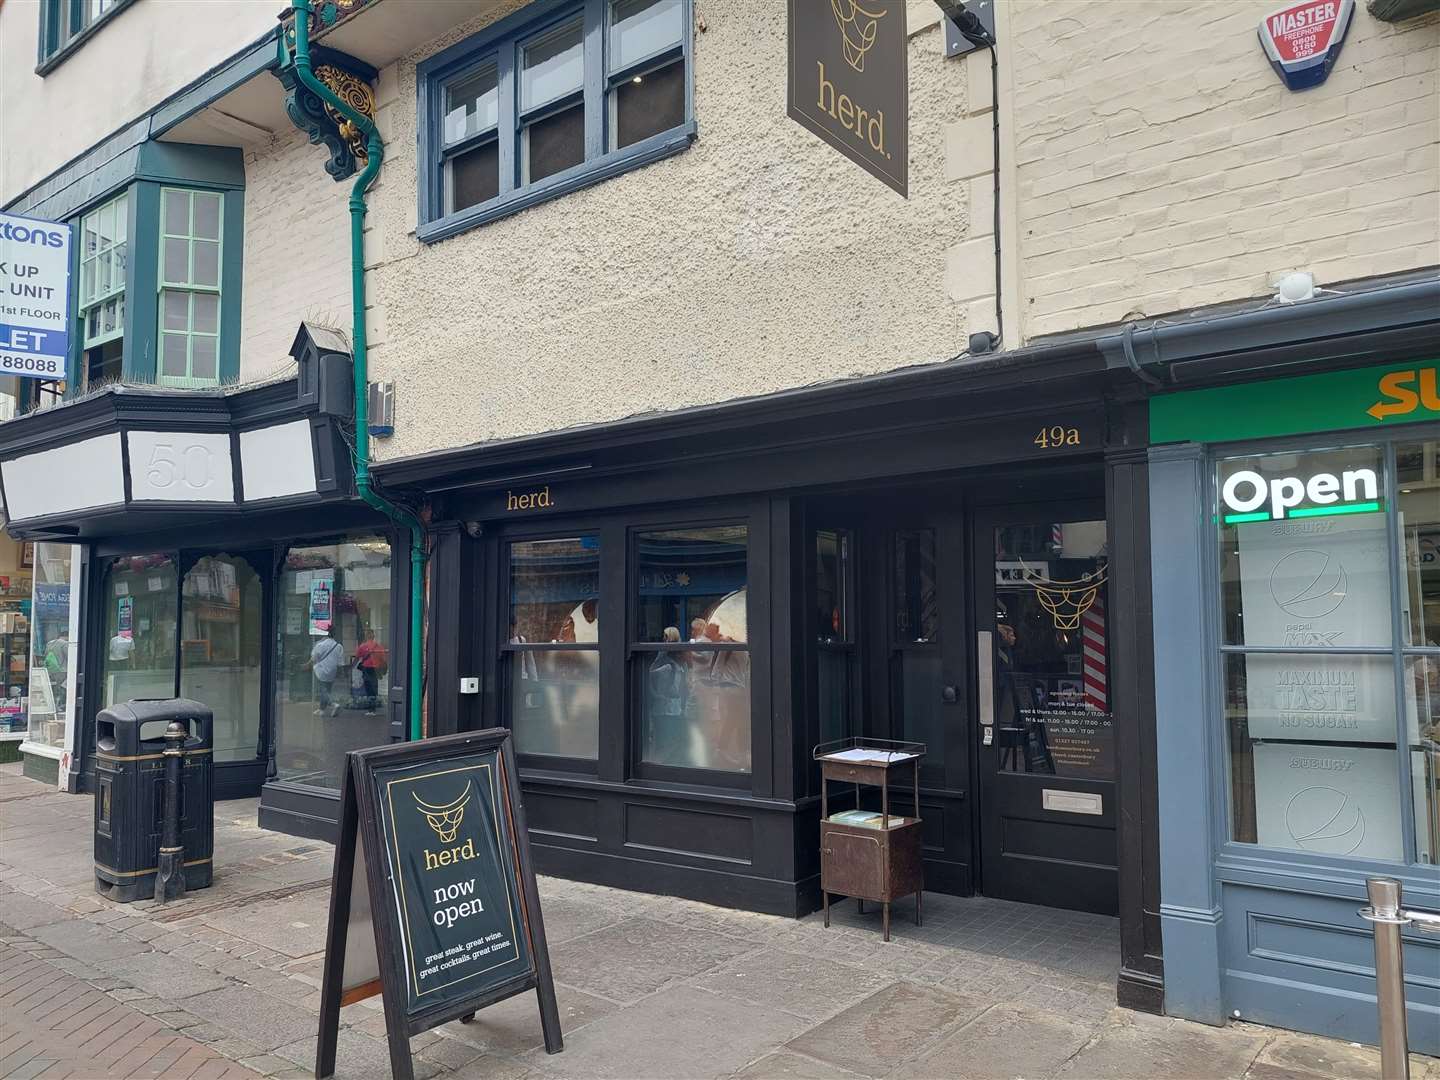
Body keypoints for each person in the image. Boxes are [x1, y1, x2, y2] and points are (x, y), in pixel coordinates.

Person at [304, 621, 344, 717]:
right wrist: (340, 673)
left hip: (320, 671)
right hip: (332, 671)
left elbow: (313, 658)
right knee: (327, 690)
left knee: (323, 690)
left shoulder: (320, 645)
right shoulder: (338, 646)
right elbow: (340, 662)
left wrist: (307, 665)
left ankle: (334, 704)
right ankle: (322, 709)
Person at [354, 628, 388, 715]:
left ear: (366, 636)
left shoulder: (362, 646)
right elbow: (384, 660)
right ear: (373, 636)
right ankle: (373, 708)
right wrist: (383, 669)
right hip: (375, 669)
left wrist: (352, 667)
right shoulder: (379, 646)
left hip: (366, 669)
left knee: (368, 689)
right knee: (374, 688)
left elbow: (357, 657)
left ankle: (371, 709)